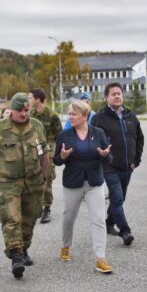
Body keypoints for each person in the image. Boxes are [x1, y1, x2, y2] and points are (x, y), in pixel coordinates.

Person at [0, 93, 50, 278]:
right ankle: (15, 254)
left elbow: (44, 153)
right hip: (7, 182)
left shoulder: (37, 127)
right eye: (20, 110)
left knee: (29, 218)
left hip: (33, 182)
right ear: (12, 110)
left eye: (27, 110)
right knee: (11, 218)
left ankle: (24, 248)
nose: (24, 114)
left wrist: (44, 177)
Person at [53, 100, 113, 273]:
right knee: (69, 217)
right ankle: (65, 245)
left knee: (98, 219)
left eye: (73, 114)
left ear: (84, 116)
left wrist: (104, 155)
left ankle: (100, 258)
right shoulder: (65, 135)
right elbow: (56, 160)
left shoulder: (98, 133)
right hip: (73, 183)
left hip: (95, 182)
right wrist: (63, 156)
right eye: (69, 113)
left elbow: (109, 158)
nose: (70, 117)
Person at [93, 82, 144, 246]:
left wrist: (136, 160)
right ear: (107, 97)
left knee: (120, 199)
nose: (117, 96)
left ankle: (108, 223)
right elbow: (92, 141)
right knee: (117, 197)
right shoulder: (99, 118)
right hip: (109, 167)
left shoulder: (131, 115)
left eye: (119, 94)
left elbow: (139, 138)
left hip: (128, 166)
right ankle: (125, 231)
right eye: (113, 94)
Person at [29, 88, 62, 224]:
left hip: (49, 151)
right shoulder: (30, 114)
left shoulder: (52, 115)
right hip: (33, 150)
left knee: (46, 180)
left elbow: (60, 135)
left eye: (30, 97)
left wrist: (59, 155)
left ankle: (46, 208)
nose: (28, 100)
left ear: (37, 99)